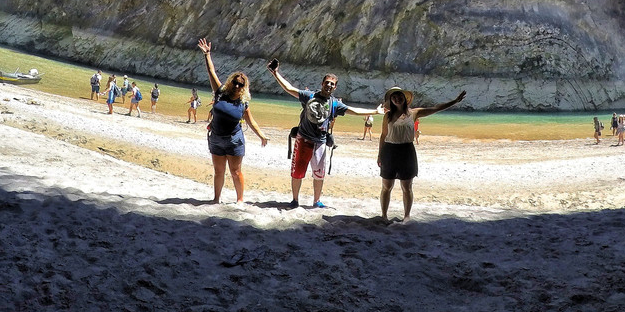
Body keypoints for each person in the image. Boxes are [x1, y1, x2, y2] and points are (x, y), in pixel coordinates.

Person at [268, 61, 383, 209]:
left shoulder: (335, 104)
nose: (329, 85)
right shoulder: (309, 96)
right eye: (327, 82)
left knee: (319, 174)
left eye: (332, 84)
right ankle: (295, 200)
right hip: (303, 139)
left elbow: (354, 111)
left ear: (335, 87)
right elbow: (289, 88)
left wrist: (374, 112)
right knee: (297, 172)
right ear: (322, 83)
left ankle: (317, 201)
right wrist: (275, 73)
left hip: (320, 142)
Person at [378, 86, 466, 223]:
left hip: (407, 151)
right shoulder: (387, 116)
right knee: (386, 186)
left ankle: (406, 216)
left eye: (399, 96)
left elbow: (436, 108)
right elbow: (383, 136)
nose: (397, 98)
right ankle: (384, 216)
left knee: (407, 187)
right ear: (391, 100)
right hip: (389, 151)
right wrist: (379, 155)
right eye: (393, 97)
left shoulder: (414, 113)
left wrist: (454, 101)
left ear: (405, 98)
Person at [196, 39, 268, 203]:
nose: (236, 86)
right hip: (216, 138)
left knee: (236, 172)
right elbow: (211, 72)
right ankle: (216, 199)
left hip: (234, 140)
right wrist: (207, 54)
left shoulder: (243, 103)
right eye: (235, 82)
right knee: (218, 171)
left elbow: (251, 122)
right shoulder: (220, 92)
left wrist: (262, 136)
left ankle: (240, 200)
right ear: (231, 82)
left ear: (244, 87)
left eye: (240, 84)